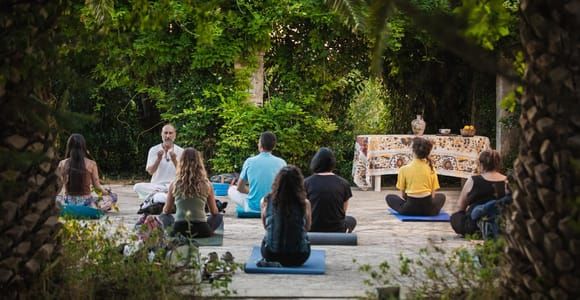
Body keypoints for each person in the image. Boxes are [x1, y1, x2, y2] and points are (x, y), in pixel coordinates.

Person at [155, 148, 223, 238]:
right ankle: (208, 231)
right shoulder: (207, 184)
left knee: (163, 216)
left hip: (179, 230)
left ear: (181, 163)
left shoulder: (174, 184)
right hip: (202, 231)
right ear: (199, 163)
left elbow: (166, 210)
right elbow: (214, 212)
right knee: (218, 216)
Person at [260, 165, 311, 267]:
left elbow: (266, 226)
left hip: (271, 254)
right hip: (299, 257)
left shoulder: (266, 201)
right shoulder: (304, 203)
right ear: (299, 183)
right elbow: (307, 228)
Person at [450, 149, 508, 236]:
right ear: (498, 164)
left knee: (455, 217)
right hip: (499, 221)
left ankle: (481, 228)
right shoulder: (506, 181)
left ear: (481, 164)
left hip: (474, 224)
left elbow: (460, 207)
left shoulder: (473, 180)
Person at [385, 137, 446, 216]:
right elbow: (433, 195)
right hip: (428, 210)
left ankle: (411, 207)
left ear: (413, 151)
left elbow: (403, 195)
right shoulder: (432, 169)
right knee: (441, 196)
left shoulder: (403, 169)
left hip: (409, 209)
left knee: (389, 197)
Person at [228, 131, 286, 212]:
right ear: (274, 146)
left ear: (261, 145)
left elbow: (239, 187)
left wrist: (251, 192)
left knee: (231, 189)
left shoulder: (249, 161)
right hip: (273, 207)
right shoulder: (282, 163)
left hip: (253, 207)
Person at [304, 147, 356, 233]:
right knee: (351, 220)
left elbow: (304, 210)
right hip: (337, 229)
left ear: (315, 162)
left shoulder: (306, 183)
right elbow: (343, 211)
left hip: (311, 228)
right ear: (333, 163)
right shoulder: (344, 183)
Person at [56, 134, 111, 208]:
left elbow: (58, 187)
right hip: (86, 204)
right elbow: (97, 187)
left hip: (69, 203)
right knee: (112, 198)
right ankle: (97, 208)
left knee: (56, 199)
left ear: (69, 147)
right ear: (84, 147)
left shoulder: (62, 163)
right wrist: (107, 192)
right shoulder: (91, 164)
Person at [134, 124, 184, 204]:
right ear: (161, 134)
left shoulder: (181, 151)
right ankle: (166, 196)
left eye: (170, 133)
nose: (168, 136)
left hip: (173, 185)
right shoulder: (154, 150)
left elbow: (182, 173)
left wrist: (174, 160)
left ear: (175, 135)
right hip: (157, 186)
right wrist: (158, 159)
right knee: (137, 187)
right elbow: (150, 171)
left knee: (183, 188)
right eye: (165, 133)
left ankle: (161, 196)